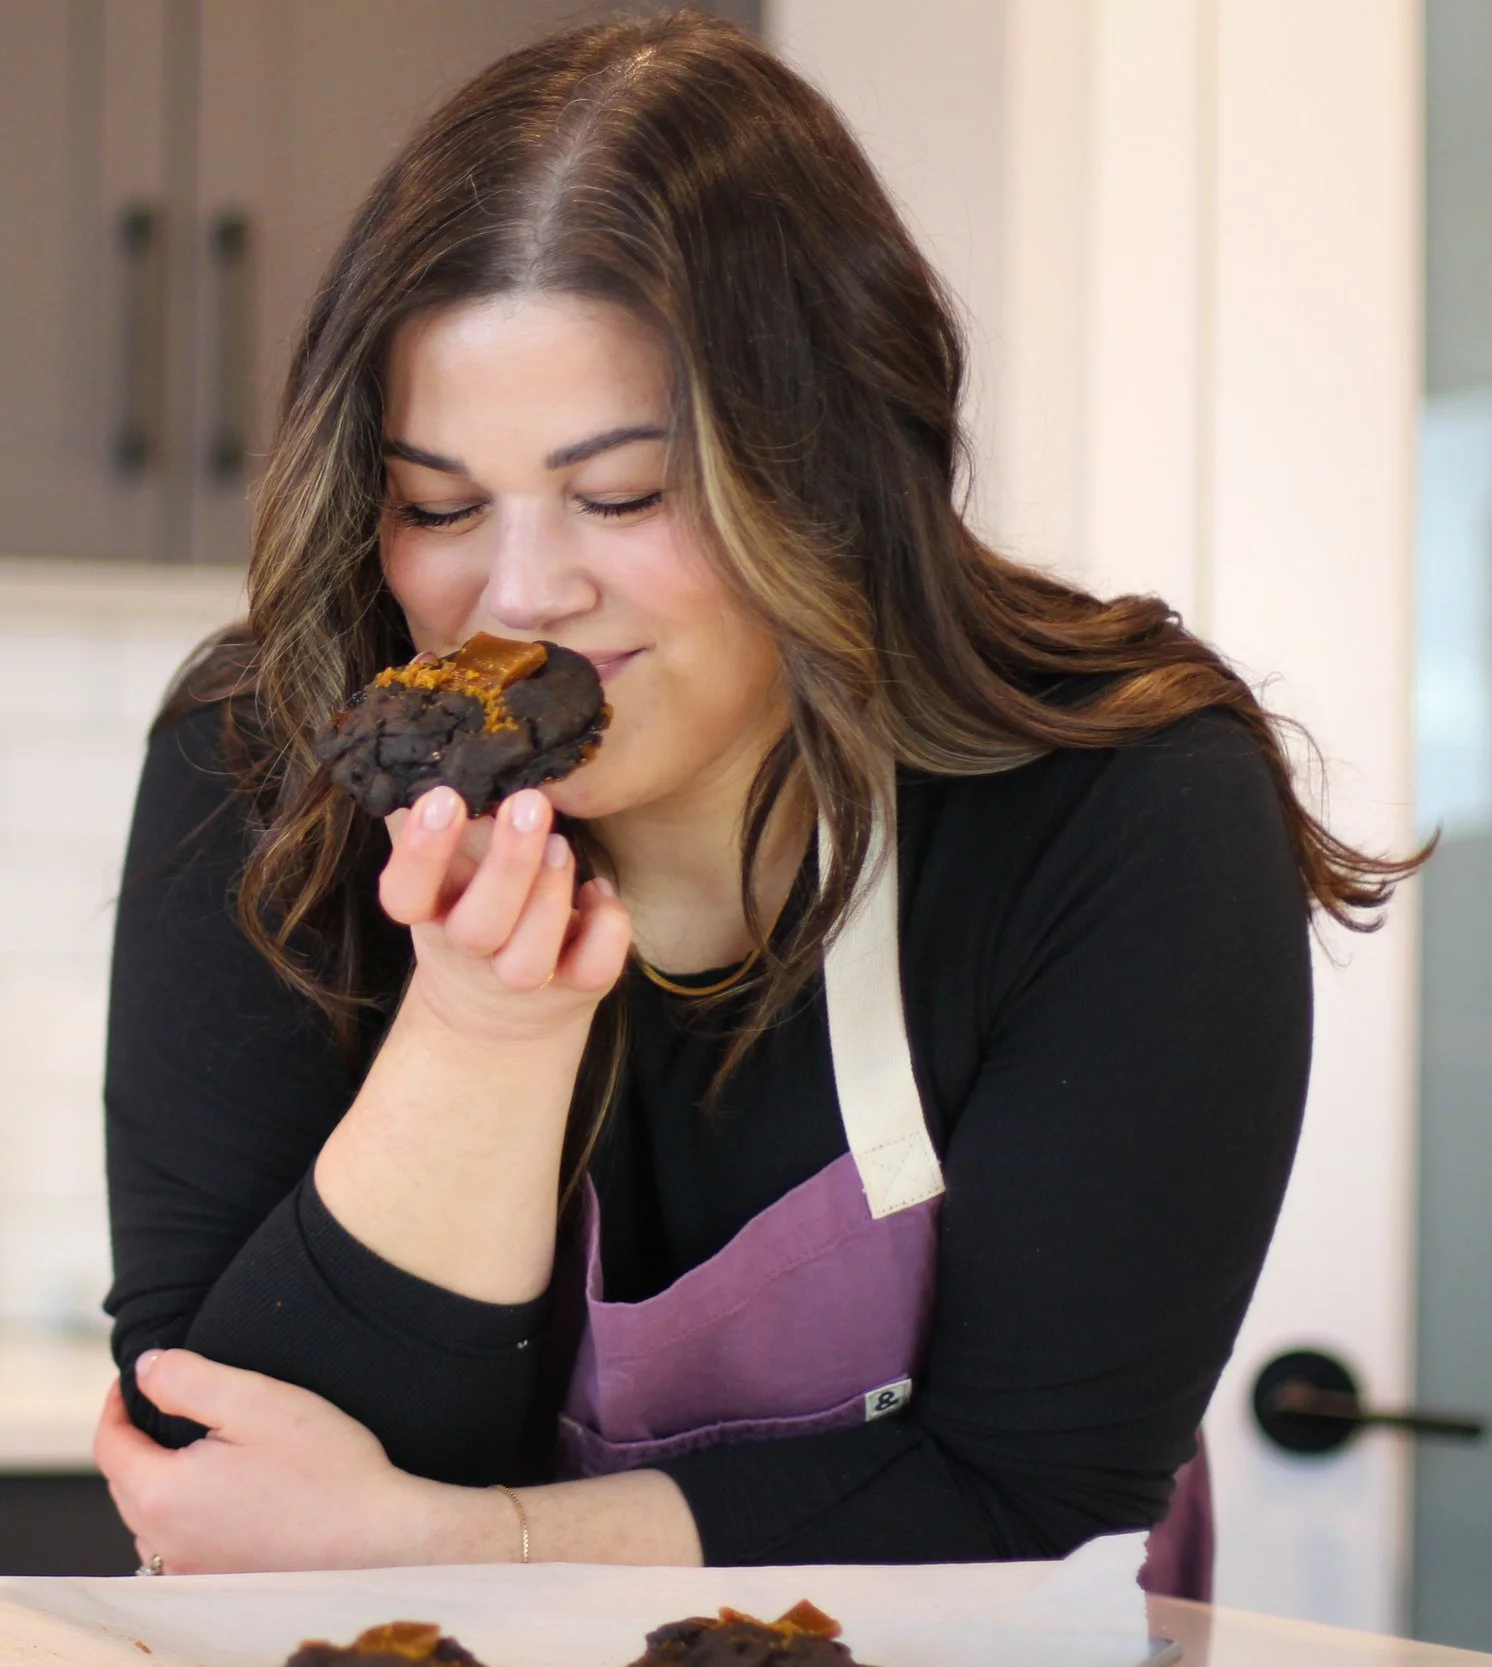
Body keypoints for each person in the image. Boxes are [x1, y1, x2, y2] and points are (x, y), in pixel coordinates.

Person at [91, 12, 1416, 1588]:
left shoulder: (1119, 810)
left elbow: (1032, 1504)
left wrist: (474, 1542)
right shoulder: (268, 769)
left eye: (625, 495)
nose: (518, 595)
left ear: (829, 463)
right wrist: (480, 1035)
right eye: (435, 502)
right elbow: (234, 1479)